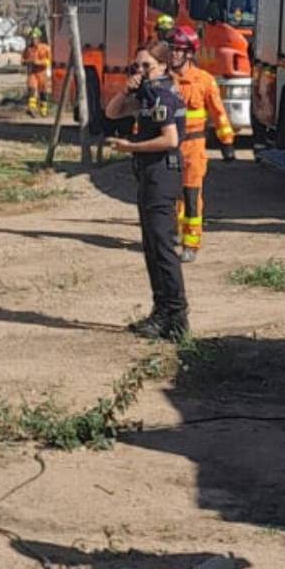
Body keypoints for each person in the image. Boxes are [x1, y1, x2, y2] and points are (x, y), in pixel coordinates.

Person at [105, 41, 189, 341]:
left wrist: (132, 147)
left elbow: (170, 140)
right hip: (148, 175)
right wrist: (126, 89)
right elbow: (112, 112)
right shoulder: (145, 94)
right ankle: (161, 311)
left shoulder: (163, 94)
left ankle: (176, 317)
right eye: (136, 66)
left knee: (163, 248)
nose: (140, 72)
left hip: (162, 175)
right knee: (152, 247)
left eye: (146, 66)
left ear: (164, 67)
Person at [166, 25, 235, 263]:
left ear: (189, 53)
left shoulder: (204, 81)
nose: (173, 54)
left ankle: (191, 243)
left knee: (191, 195)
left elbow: (218, 112)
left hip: (194, 147)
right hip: (169, 146)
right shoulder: (164, 80)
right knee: (171, 194)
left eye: (178, 50)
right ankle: (176, 230)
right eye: (171, 49)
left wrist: (227, 142)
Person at [22, 27, 52, 118]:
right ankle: (31, 108)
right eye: (31, 39)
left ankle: (43, 111)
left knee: (43, 92)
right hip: (32, 73)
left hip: (42, 73)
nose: (33, 40)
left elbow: (50, 61)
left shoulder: (45, 48)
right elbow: (22, 60)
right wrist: (27, 62)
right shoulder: (28, 49)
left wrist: (39, 62)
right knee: (32, 89)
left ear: (39, 38)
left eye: (34, 38)